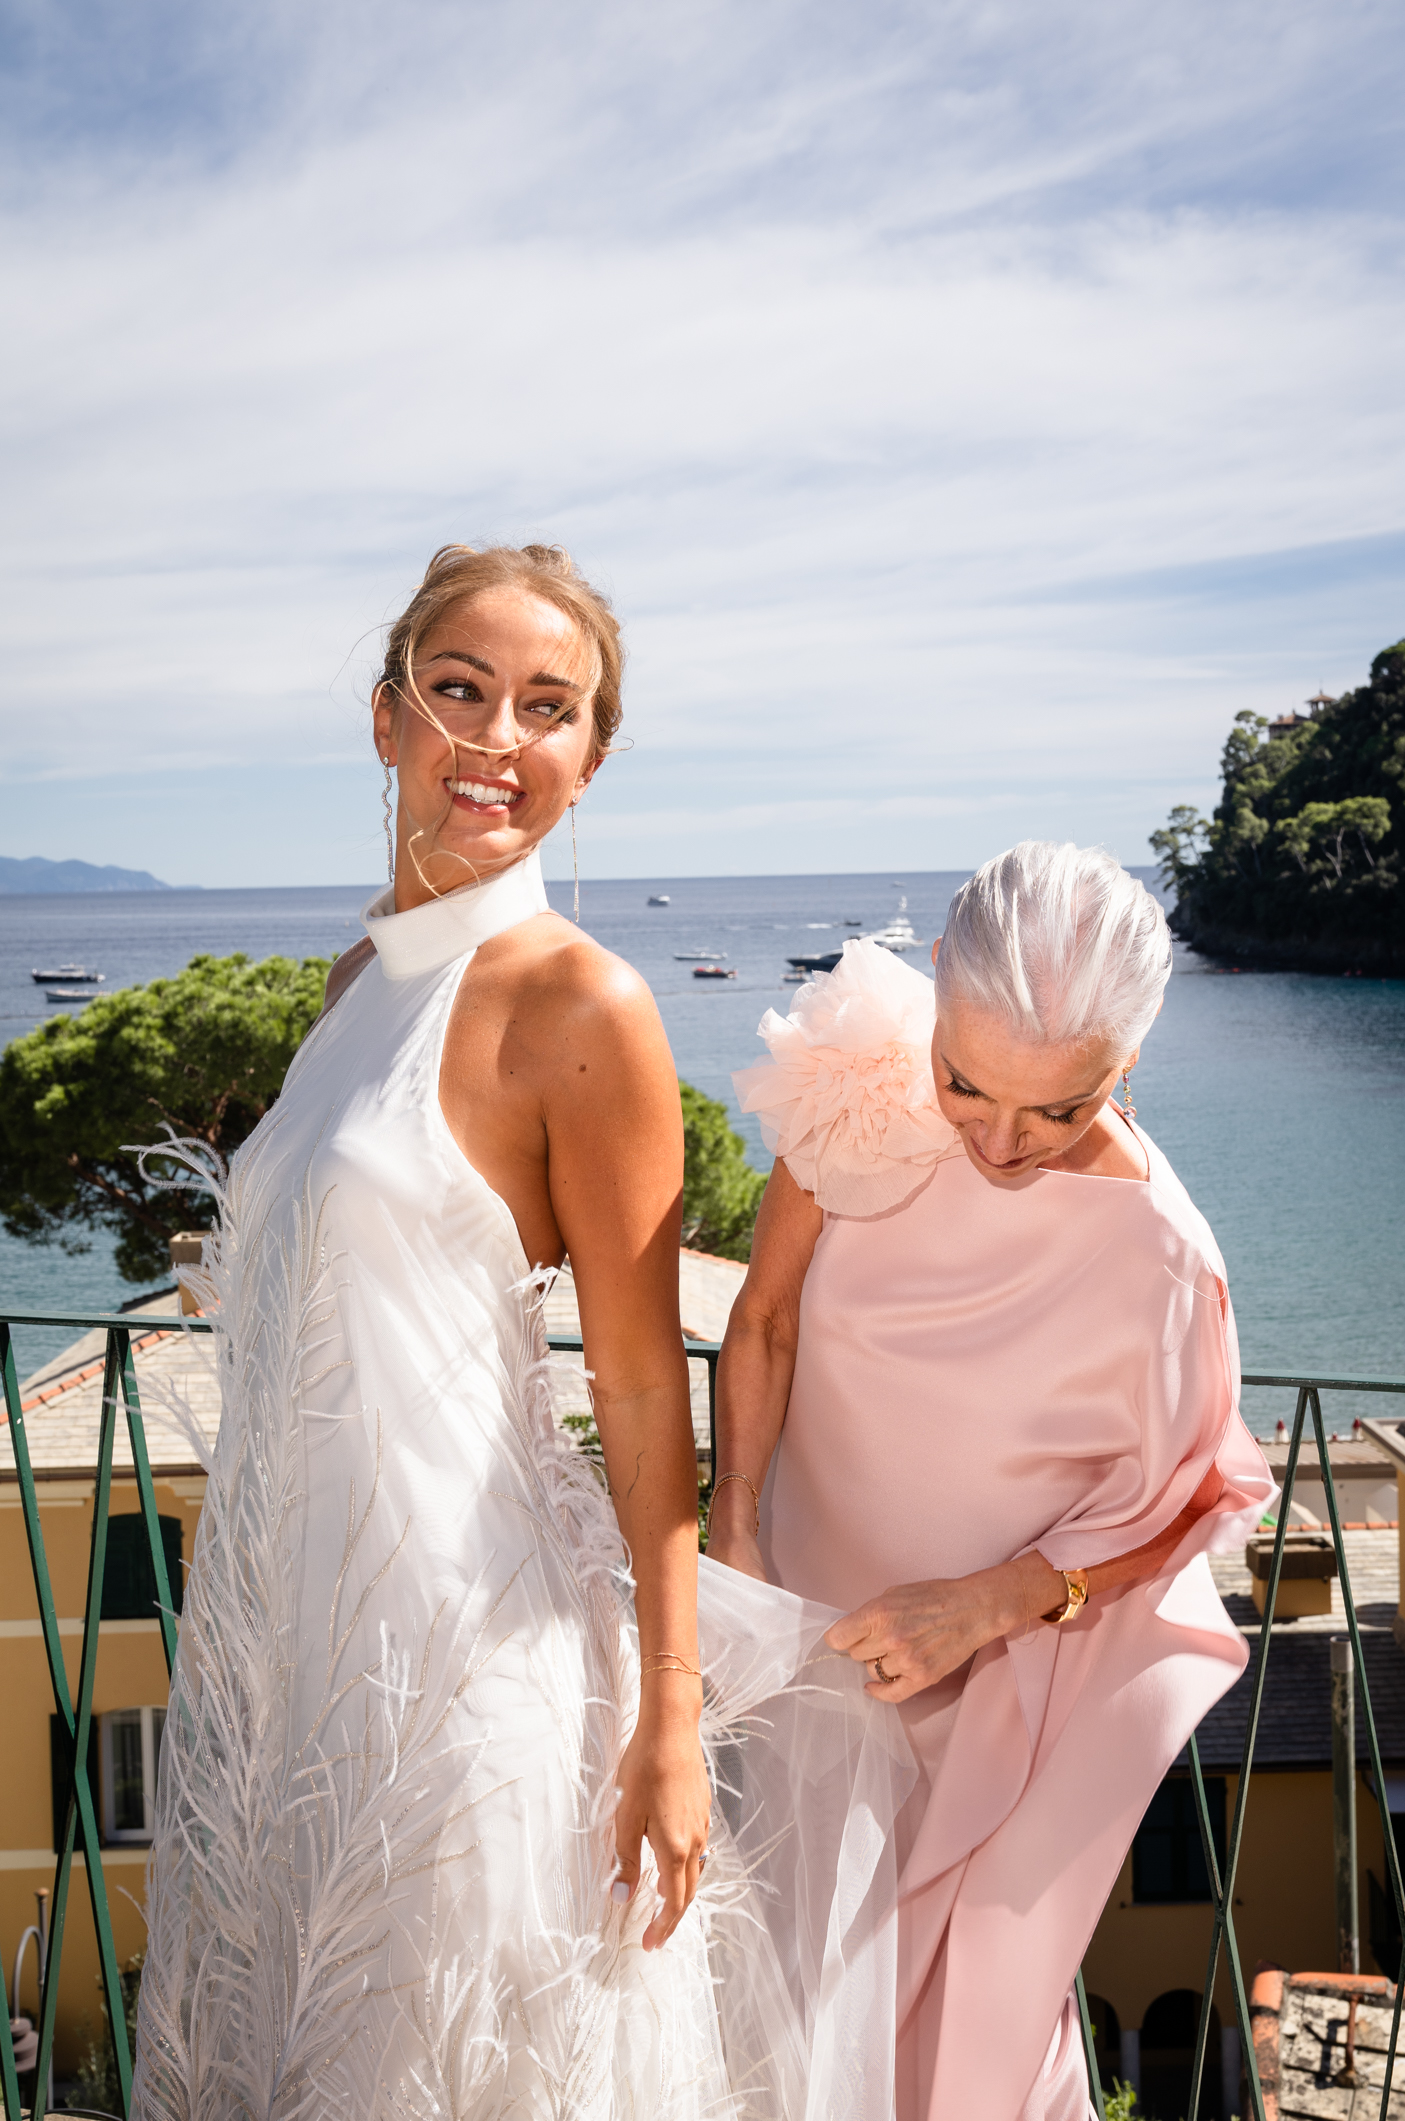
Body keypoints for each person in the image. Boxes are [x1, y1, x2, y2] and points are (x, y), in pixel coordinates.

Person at [134, 543, 881, 2121]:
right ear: (388, 717)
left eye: (547, 708)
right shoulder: (355, 986)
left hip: (473, 1694)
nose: (496, 738)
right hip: (291, 1679)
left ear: (589, 761)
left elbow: (634, 1395)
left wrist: (669, 1728)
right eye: (457, 690)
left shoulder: (582, 1004)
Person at [708, 841, 1276, 2121]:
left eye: (1057, 1109)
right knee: (768, 2016)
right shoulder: (860, 1084)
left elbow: (1192, 1503)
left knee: (945, 2052)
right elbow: (764, 1323)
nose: (1000, 1140)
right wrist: (732, 1524)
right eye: (964, 1083)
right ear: (936, 1016)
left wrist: (985, 1605)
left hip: (985, 1699)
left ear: (1127, 1066)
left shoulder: (1164, 1261)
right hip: (792, 1642)